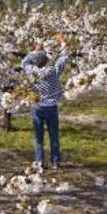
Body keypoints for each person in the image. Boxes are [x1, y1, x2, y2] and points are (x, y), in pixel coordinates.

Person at [22, 35, 69, 170]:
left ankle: (39, 161)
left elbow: (25, 62)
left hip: (37, 107)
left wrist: (35, 50)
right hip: (51, 106)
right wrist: (63, 42)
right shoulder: (54, 71)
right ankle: (55, 162)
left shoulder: (32, 72)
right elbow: (63, 58)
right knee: (54, 135)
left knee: (38, 136)